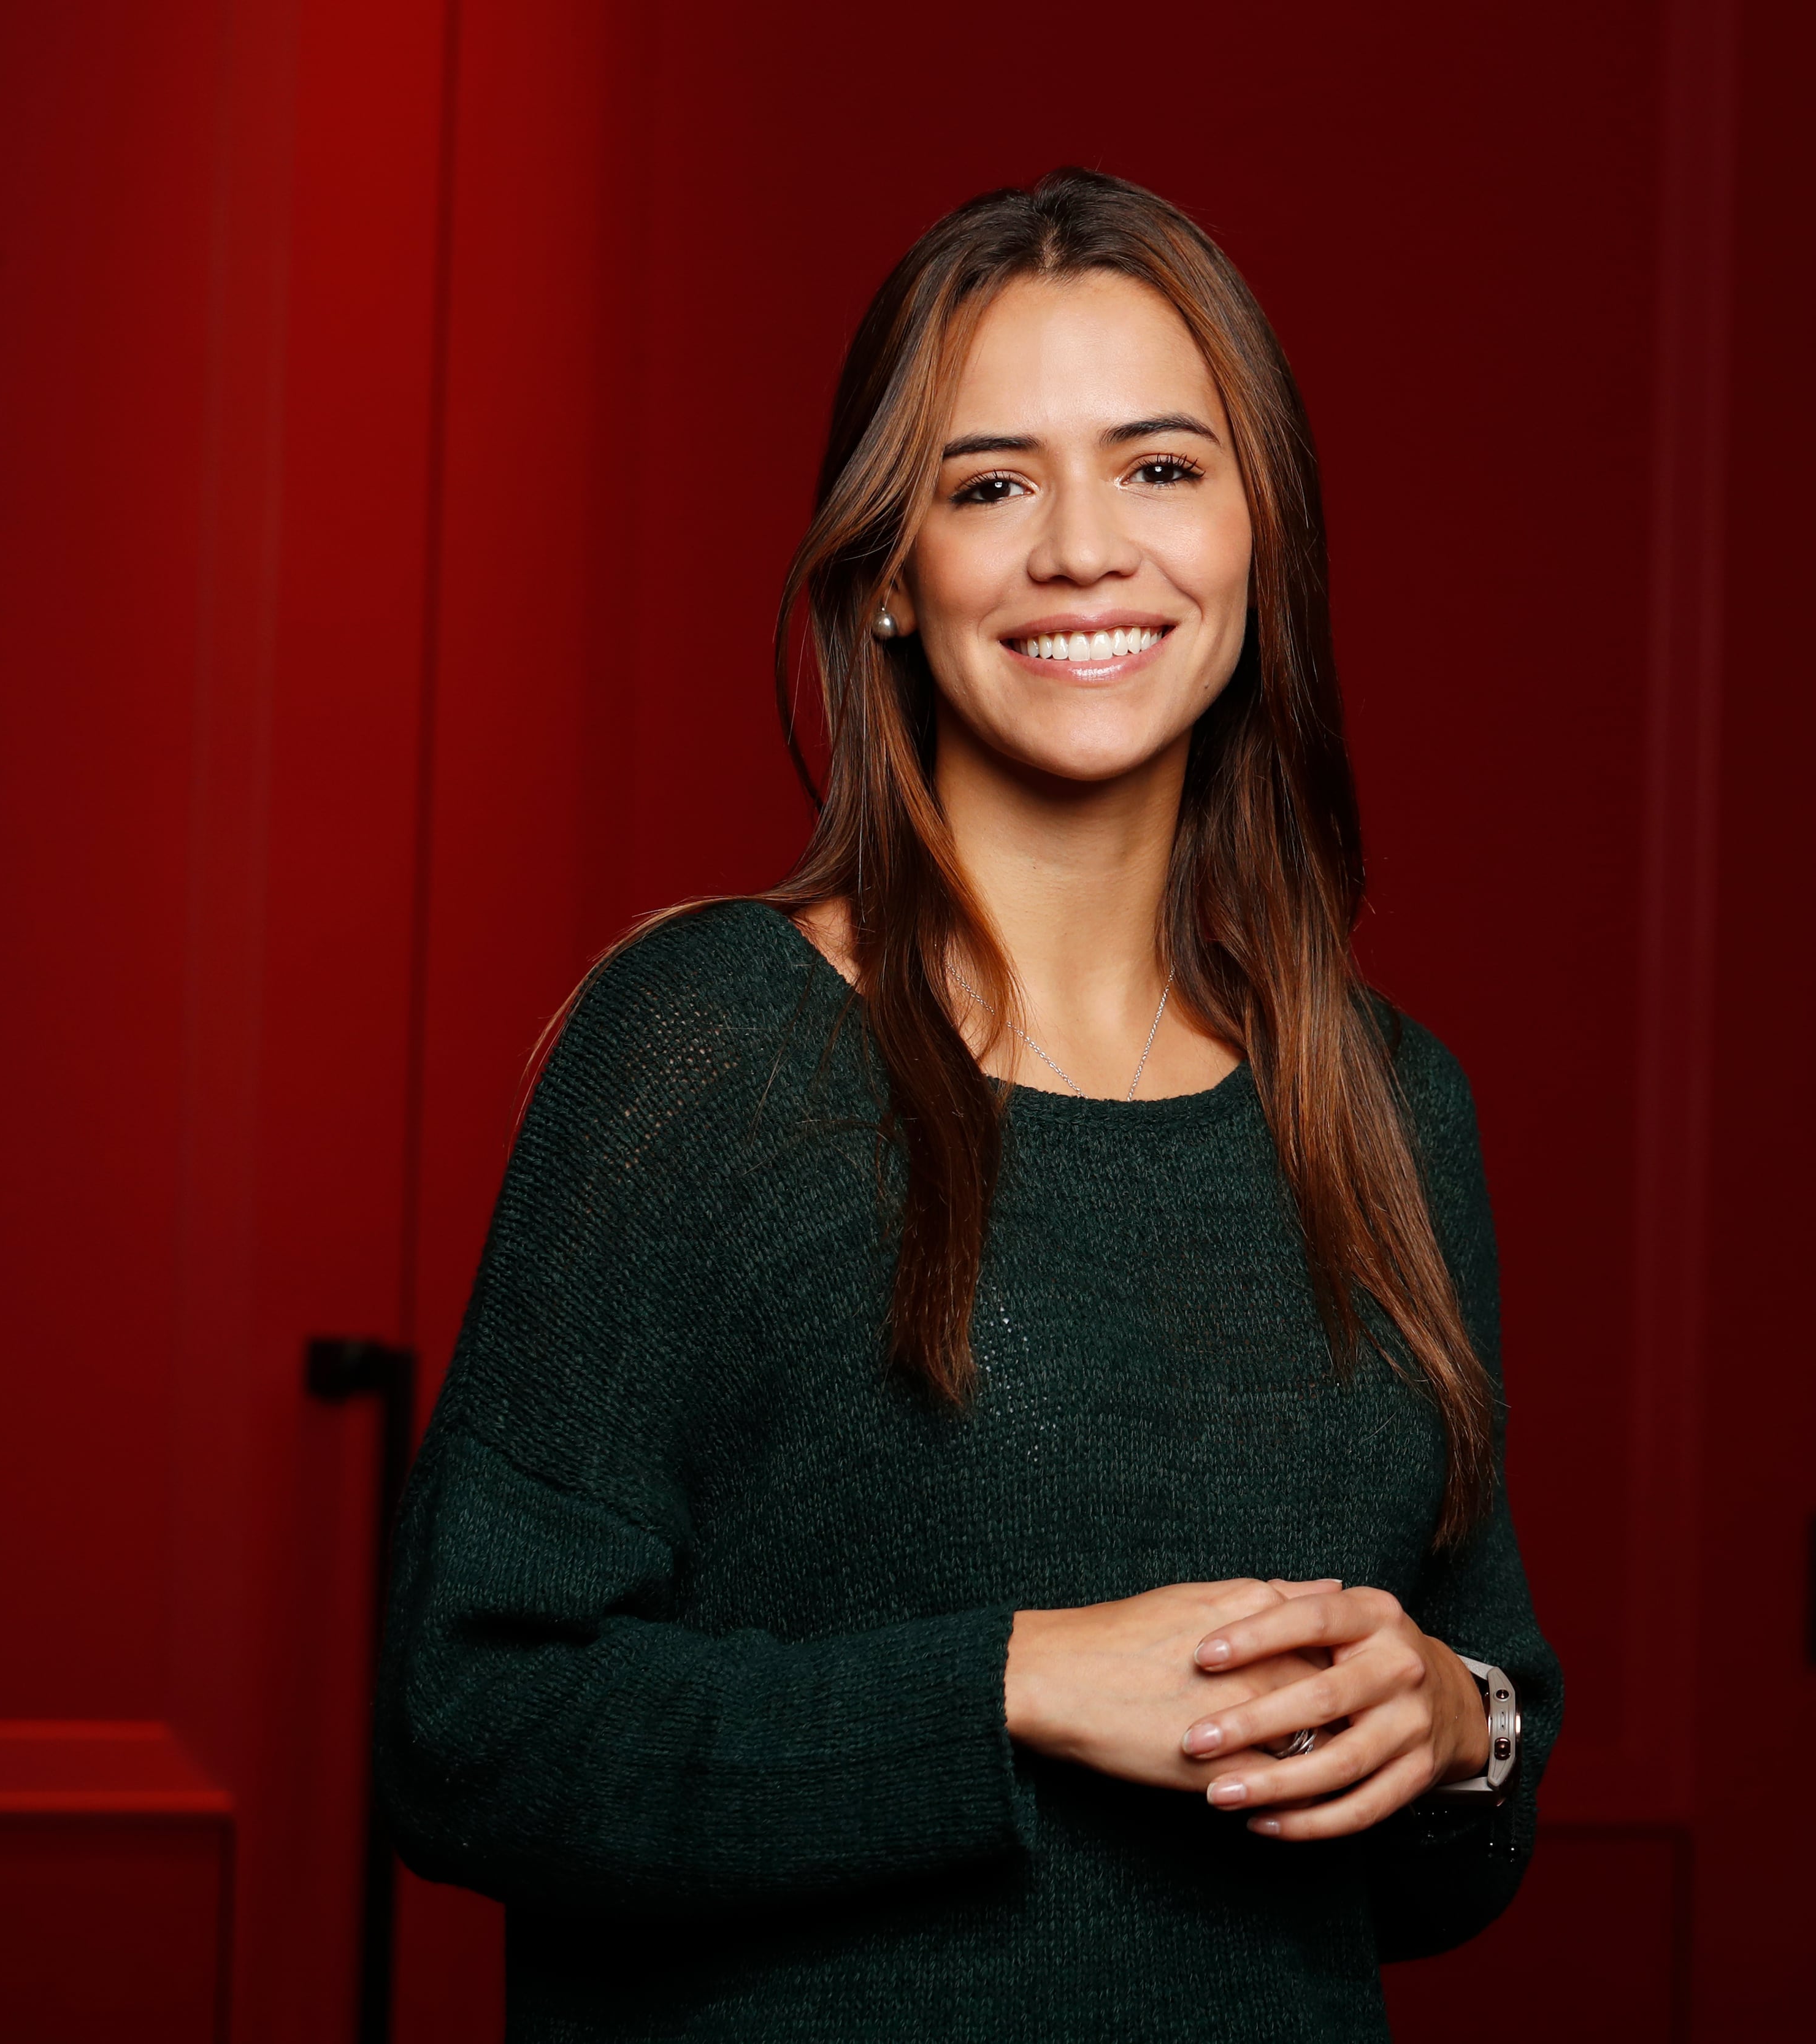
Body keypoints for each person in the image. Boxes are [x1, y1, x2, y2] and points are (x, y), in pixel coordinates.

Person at [377, 166, 1559, 2042]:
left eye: (1162, 468)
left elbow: (1449, 1848)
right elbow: (472, 1734)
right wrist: (1008, 1684)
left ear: (1264, 541)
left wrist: (1455, 1722)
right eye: (990, 483)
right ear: (888, 580)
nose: (1086, 547)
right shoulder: (710, 1051)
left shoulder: (1389, 1106)